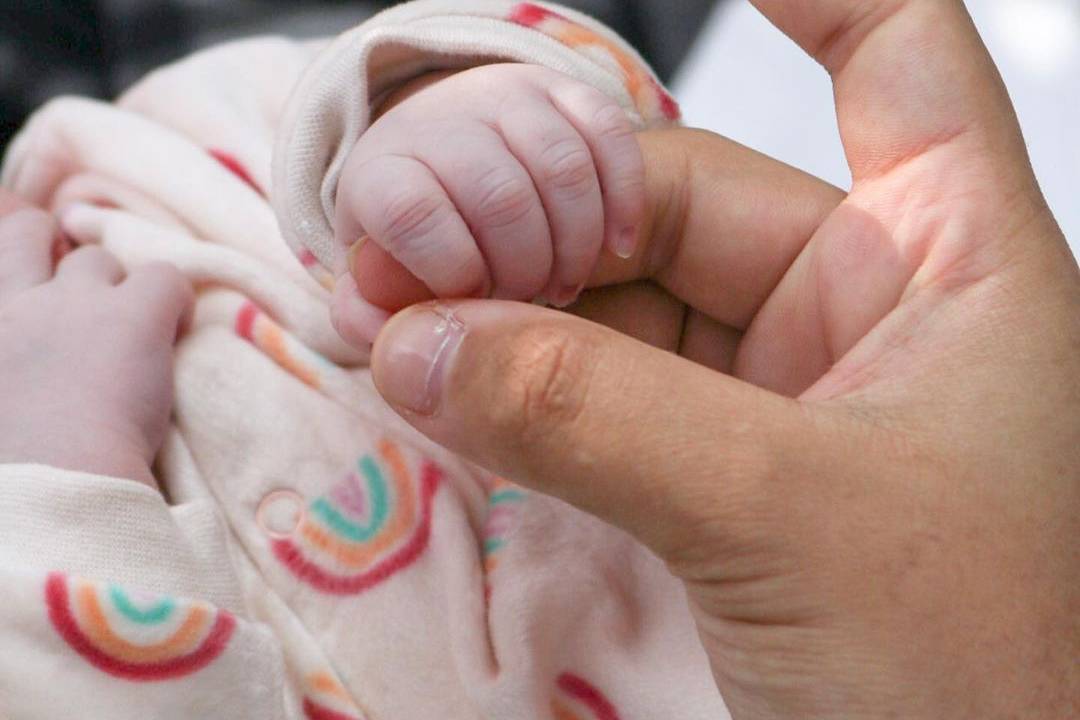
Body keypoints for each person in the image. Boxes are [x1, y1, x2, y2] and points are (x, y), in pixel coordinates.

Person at [0, 3, 1076, 720]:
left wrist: (453, 124)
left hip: (844, 490)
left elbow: (428, 73)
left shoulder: (110, 152)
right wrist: (63, 478)